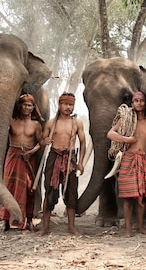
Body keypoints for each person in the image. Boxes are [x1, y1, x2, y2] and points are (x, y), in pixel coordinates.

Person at [107, 91, 146, 237]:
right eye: (135, 101)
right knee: (128, 197)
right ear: (131, 103)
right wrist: (126, 140)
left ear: (145, 103)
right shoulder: (127, 119)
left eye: (141, 100)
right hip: (129, 159)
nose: (138, 103)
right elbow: (110, 134)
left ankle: (140, 227)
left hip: (144, 160)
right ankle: (128, 230)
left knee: (143, 197)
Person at [39, 92, 86, 235]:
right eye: (65, 104)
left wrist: (80, 162)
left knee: (71, 192)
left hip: (70, 157)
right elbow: (41, 141)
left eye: (71, 104)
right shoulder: (51, 123)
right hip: (54, 156)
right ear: (59, 105)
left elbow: (83, 143)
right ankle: (45, 227)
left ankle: (71, 227)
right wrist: (45, 141)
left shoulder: (76, 123)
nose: (68, 107)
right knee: (50, 191)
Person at [0, 93, 44, 231]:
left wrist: (31, 152)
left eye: (29, 105)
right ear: (20, 106)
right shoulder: (11, 122)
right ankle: (6, 221)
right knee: (9, 187)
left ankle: (29, 220)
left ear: (33, 107)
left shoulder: (36, 125)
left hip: (29, 158)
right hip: (13, 155)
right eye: (24, 104)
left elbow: (41, 142)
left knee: (29, 188)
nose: (27, 107)